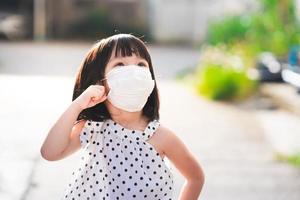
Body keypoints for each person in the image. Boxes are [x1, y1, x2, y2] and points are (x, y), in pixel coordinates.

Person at [40, 33, 205, 200]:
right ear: (100, 81)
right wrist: (77, 105)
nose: (133, 72)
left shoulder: (162, 137)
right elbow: (50, 152)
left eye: (141, 64)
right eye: (119, 64)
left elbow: (195, 178)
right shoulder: (93, 129)